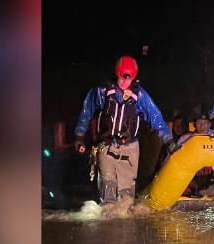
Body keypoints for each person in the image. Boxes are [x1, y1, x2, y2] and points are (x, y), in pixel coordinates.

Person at [73, 56, 179, 206]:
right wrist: (79, 135)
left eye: (127, 78)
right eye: (120, 77)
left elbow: (156, 118)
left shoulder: (140, 95)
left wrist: (168, 140)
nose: (123, 82)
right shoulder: (102, 91)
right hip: (107, 146)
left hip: (130, 148)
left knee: (126, 199)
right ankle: (107, 219)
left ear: (133, 78)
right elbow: (86, 111)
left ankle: (125, 222)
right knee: (108, 192)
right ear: (116, 74)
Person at [177, 113, 214, 198]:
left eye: (204, 123)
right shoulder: (185, 138)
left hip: (208, 175)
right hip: (190, 174)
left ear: (209, 124)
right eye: (199, 123)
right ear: (195, 124)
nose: (202, 126)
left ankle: (207, 190)